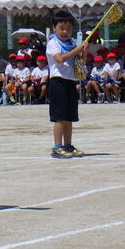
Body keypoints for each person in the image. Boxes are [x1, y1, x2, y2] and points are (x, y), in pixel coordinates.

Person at [46, 10, 90, 159]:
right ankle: (57, 147)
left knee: (69, 116)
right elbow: (60, 59)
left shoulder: (72, 43)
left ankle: (68, 145)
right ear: (54, 28)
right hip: (58, 81)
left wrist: (84, 51)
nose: (65, 32)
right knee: (60, 116)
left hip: (70, 81)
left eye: (68, 29)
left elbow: (80, 62)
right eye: (61, 28)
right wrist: (77, 49)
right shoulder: (53, 43)